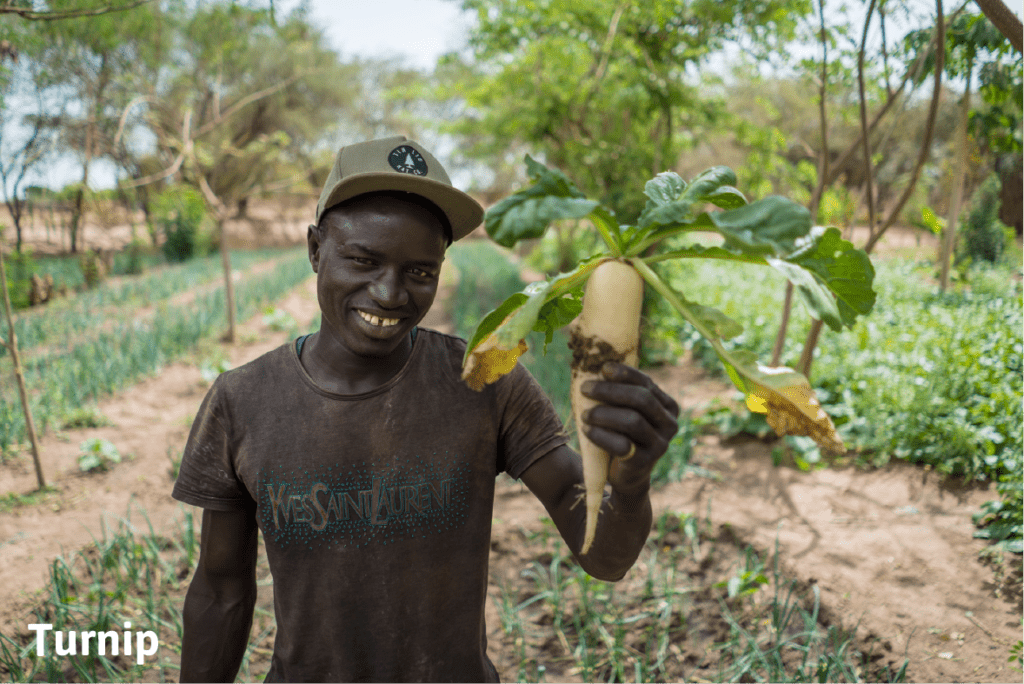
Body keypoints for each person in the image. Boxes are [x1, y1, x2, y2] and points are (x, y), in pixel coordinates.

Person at [172, 136, 680, 683]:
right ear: (316, 249)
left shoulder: (484, 381)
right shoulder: (243, 401)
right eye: (363, 260)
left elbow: (604, 558)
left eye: (420, 272)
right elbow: (221, 592)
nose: (390, 293)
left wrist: (629, 484)